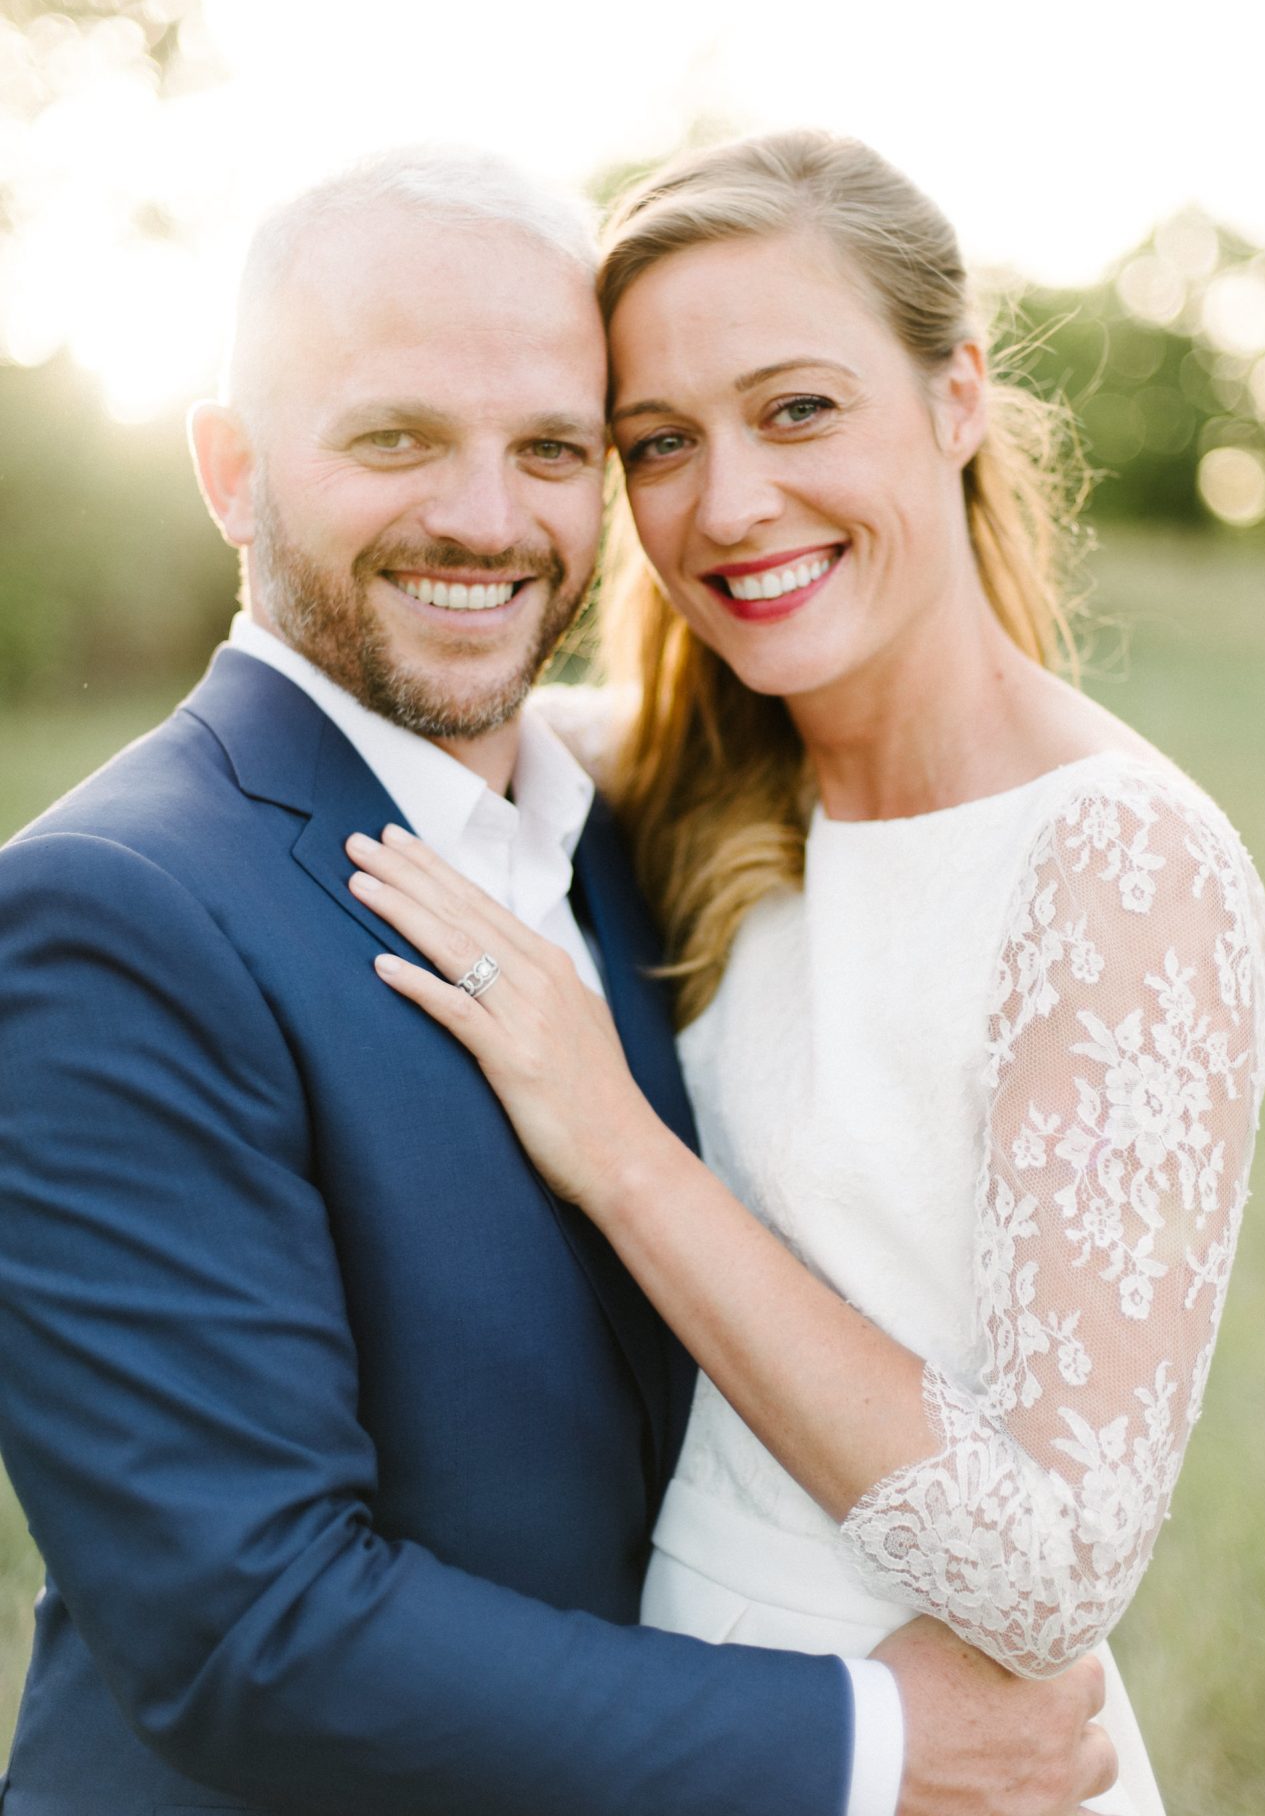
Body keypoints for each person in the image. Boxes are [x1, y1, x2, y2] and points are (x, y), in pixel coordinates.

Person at [0, 147, 1115, 1816]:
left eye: (551, 450)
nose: (486, 519)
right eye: (396, 440)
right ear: (234, 469)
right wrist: (873, 1746)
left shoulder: (620, 837)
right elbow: (250, 1630)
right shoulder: (108, 915)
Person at [342, 132, 1265, 1816]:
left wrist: (621, 1154)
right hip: (704, 1715)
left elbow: (1054, 1572)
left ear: (959, 395)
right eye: (658, 444)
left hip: (952, 1757)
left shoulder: (1124, 868)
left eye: (798, 409)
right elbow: (398, 718)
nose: (729, 504)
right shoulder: (691, 777)